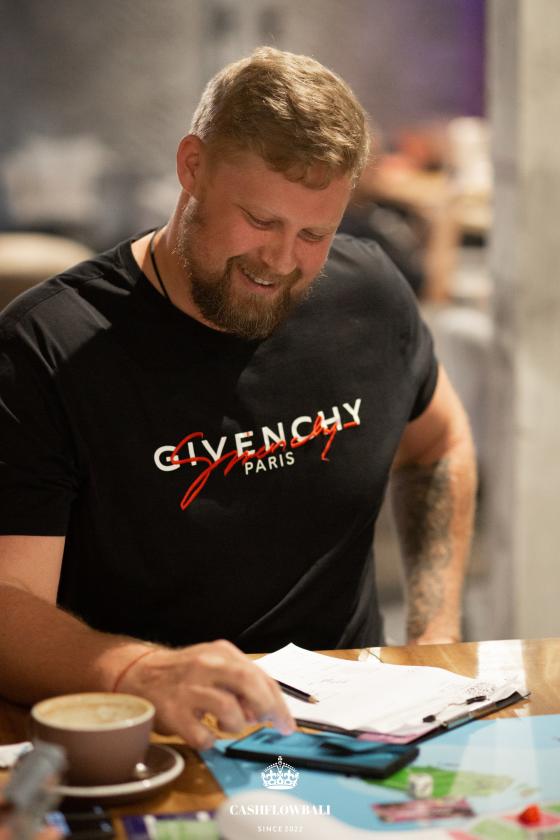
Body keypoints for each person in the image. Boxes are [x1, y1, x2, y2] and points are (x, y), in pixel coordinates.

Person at [0, 48, 476, 750]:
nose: (280, 261)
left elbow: (438, 443)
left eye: (314, 234)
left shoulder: (368, 296)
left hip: (359, 737)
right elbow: (9, 604)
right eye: (259, 220)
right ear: (192, 166)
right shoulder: (47, 346)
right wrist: (139, 672)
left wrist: (434, 634)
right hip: (151, 742)